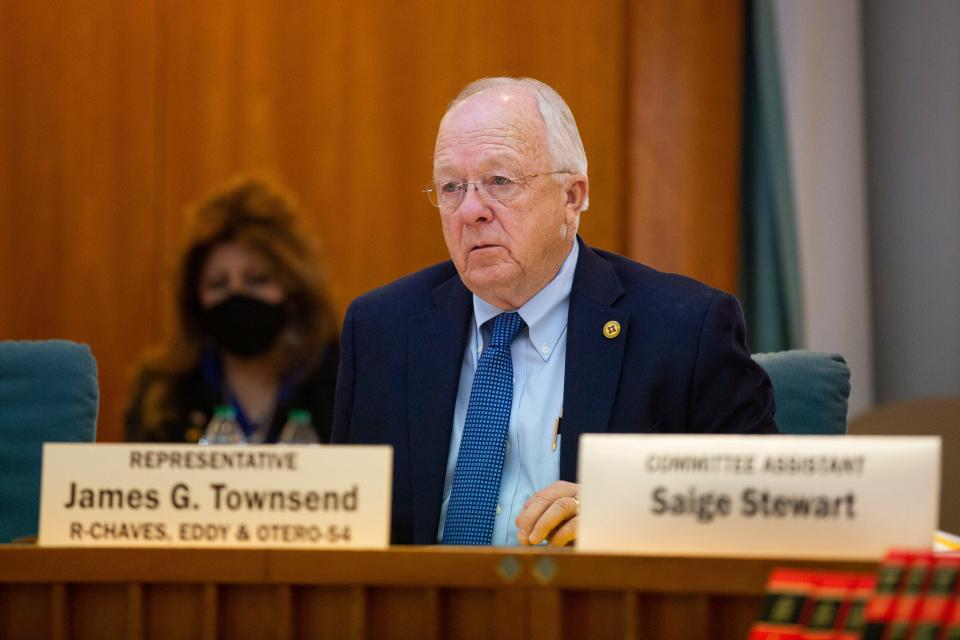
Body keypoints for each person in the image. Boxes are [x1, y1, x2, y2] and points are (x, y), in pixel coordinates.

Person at [332, 77, 777, 547]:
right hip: (418, 613)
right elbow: (343, 528)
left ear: (572, 197)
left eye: (500, 182)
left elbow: (768, 507)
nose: (470, 211)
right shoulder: (381, 330)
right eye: (451, 187)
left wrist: (627, 516)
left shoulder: (684, 330)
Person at [125, 176, 339, 444]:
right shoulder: (162, 394)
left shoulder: (340, 383)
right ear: (194, 300)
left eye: (257, 280)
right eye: (218, 284)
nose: (237, 295)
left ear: (294, 288)